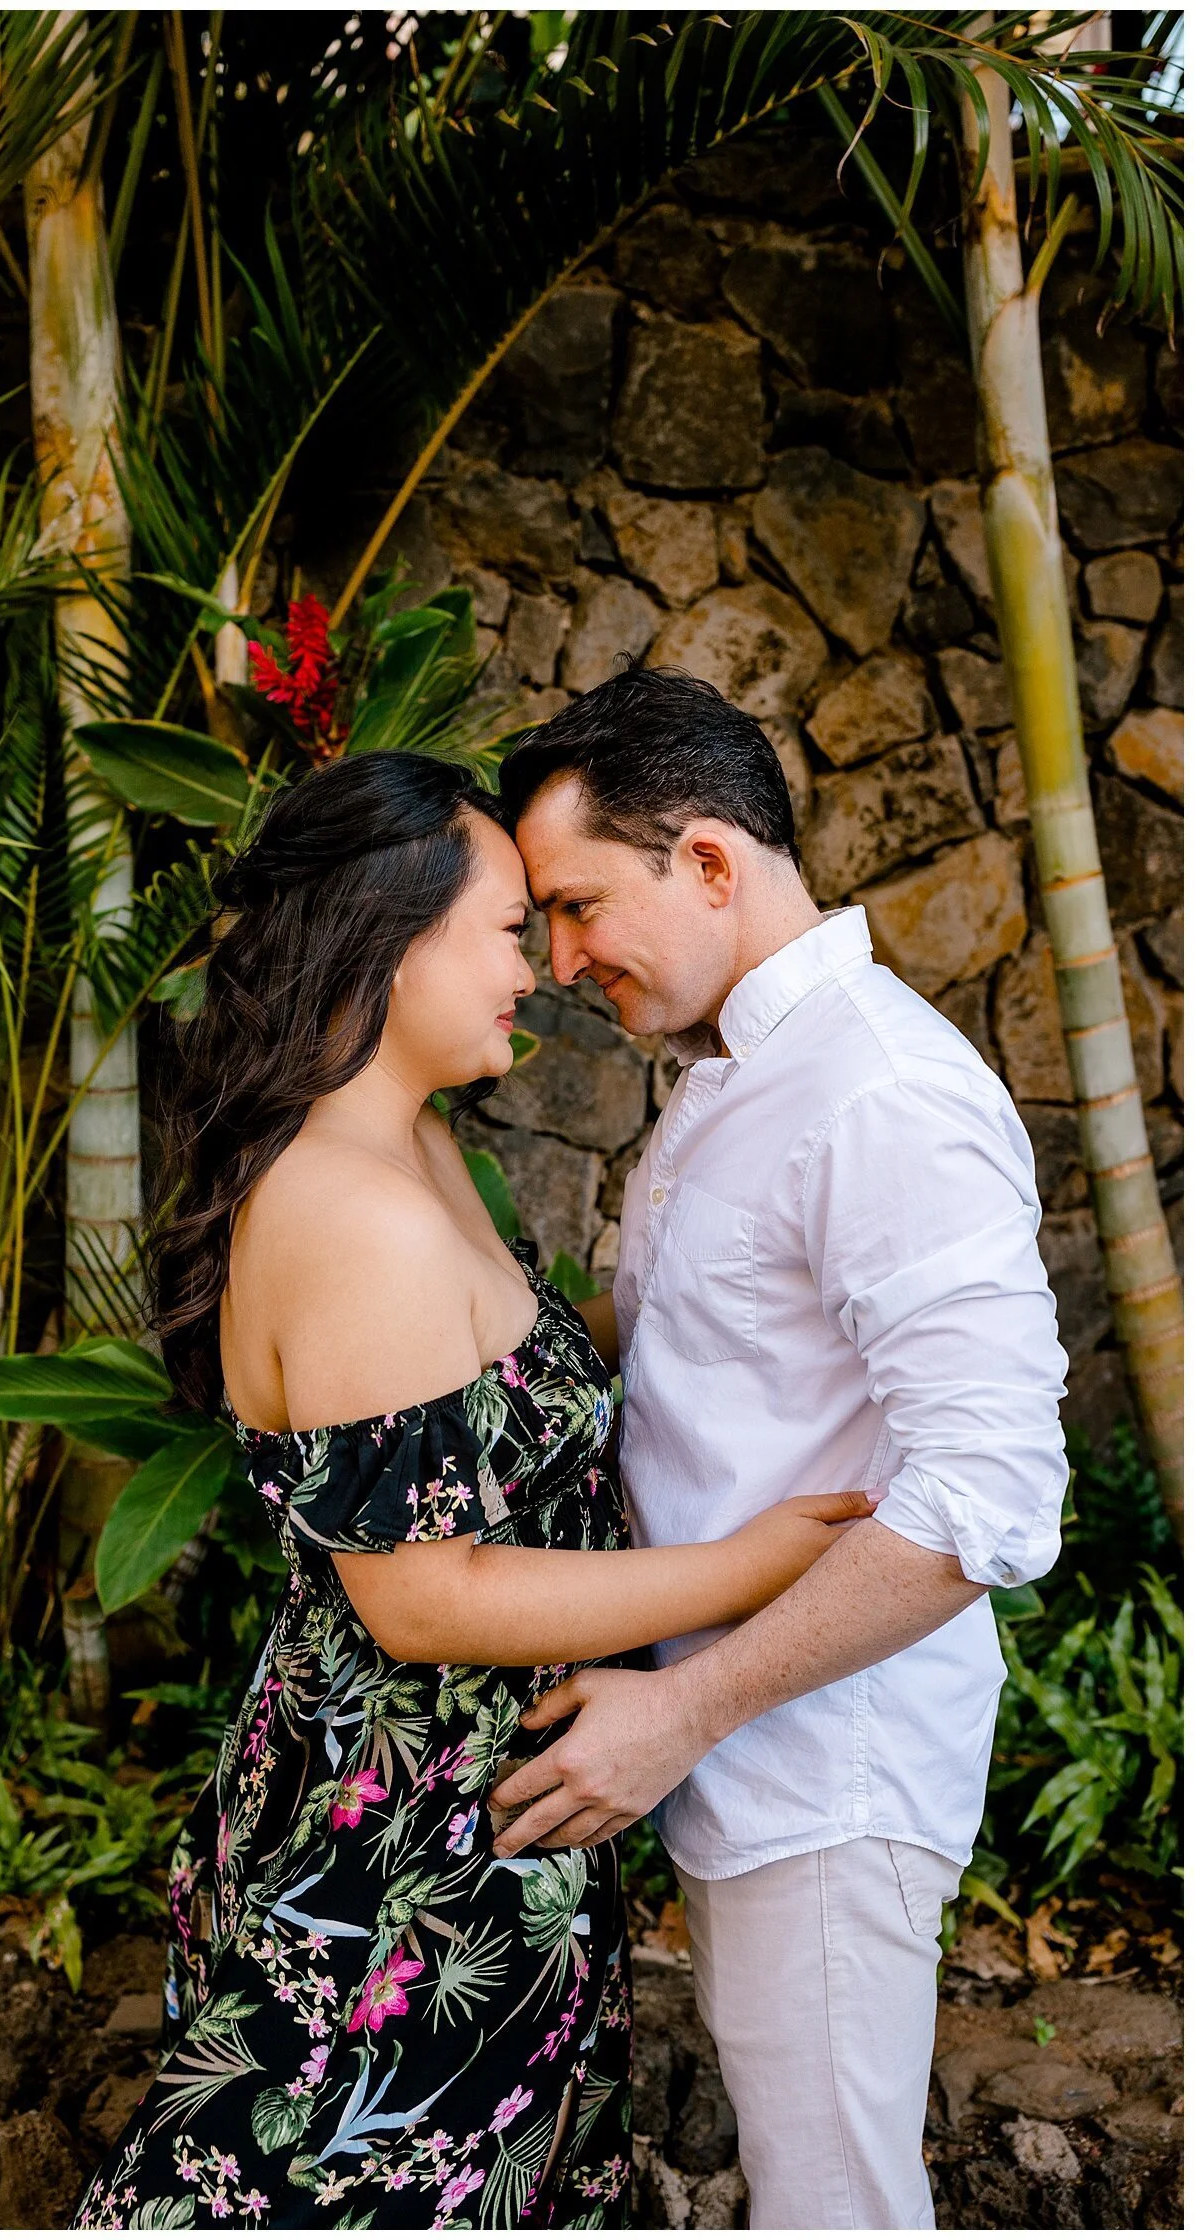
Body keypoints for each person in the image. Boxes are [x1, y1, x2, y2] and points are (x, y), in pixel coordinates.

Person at [72, 752, 871, 2232]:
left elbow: (494, 1427)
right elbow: (426, 1594)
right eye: (511, 929)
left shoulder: (416, 1144)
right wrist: (759, 1565)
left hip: (482, 1828)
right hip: (392, 1866)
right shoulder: (351, 1214)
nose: (544, 968)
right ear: (389, 940)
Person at [490, 666, 1071, 2231]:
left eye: (576, 904)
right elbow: (700, 1365)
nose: (556, 960)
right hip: (742, 1753)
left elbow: (991, 1493)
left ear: (708, 864)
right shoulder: (732, 1074)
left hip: (823, 1766)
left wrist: (688, 1710)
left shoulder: (878, 1092)